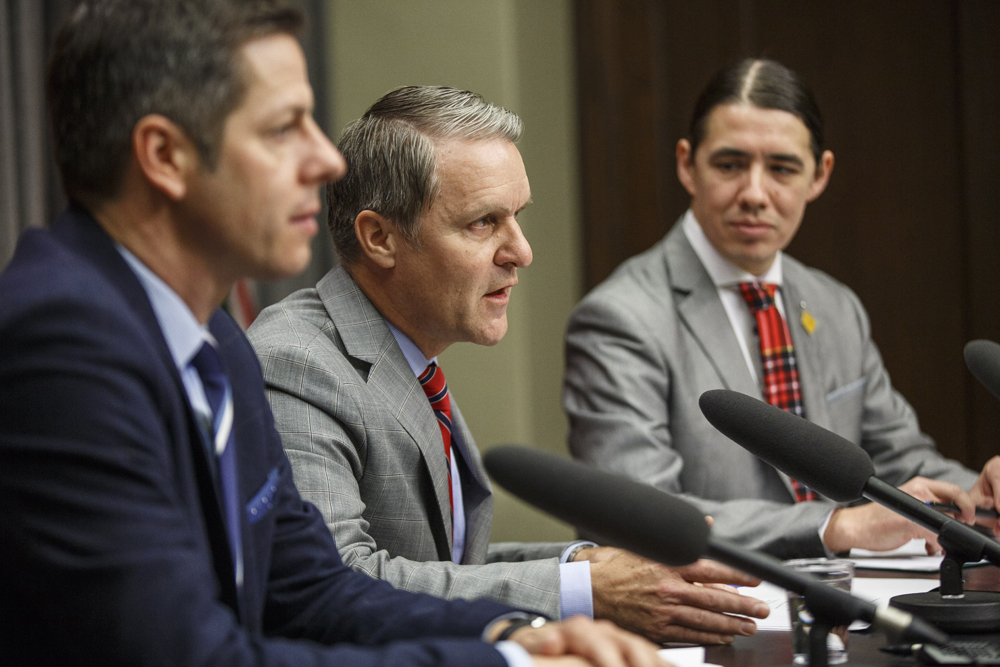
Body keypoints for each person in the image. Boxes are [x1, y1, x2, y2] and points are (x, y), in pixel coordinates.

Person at [0, 2, 670, 666]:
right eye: (284, 128)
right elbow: (186, 654)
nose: (325, 160)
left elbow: (308, 587)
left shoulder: (218, 343)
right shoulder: (62, 345)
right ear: (165, 155)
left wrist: (511, 635)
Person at [247, 85, 770, 645]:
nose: (520, 251)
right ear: (379, 238)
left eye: (517, 217)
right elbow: (339, 581)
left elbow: (444, 562)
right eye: (483, 223)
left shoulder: (405, 352)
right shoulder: (299, 363)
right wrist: (585, 591)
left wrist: (593, 565)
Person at [563, 58, 1000, 560]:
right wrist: (836, 526)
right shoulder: (620, 318)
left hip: (849, 607)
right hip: (708, 612)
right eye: (729, 165)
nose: (754, 193)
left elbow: (901, 459)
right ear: (687, 165)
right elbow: (640, 512)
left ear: (819, 175)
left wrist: (981, 491)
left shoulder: (835, 305)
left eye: (782, 168)